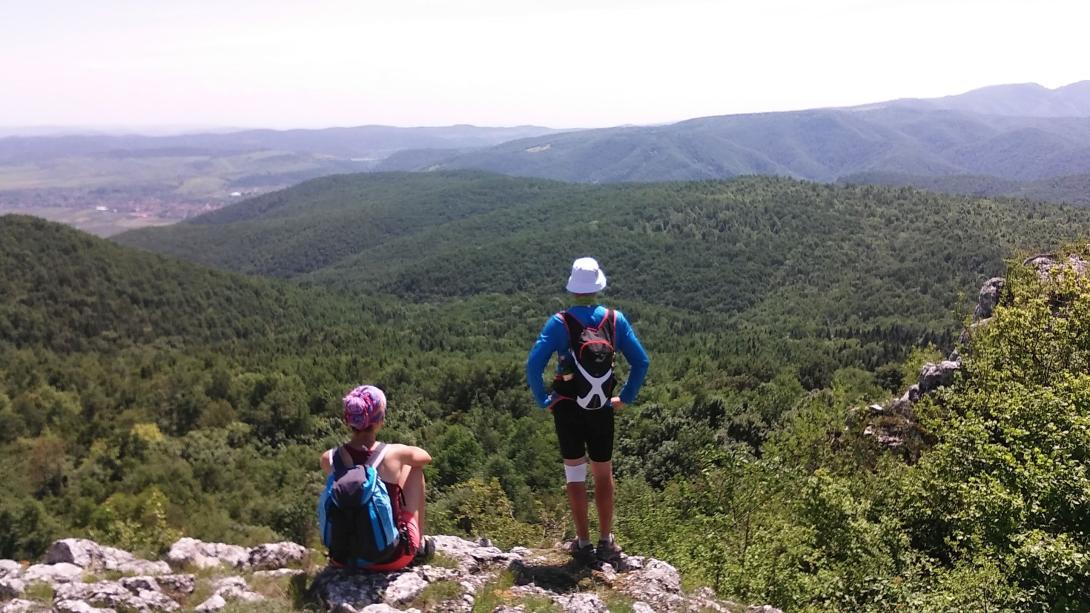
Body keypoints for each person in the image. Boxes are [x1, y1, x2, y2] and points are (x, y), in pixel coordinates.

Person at [525, 257, 650, 563]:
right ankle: (606, 541)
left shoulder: (559, 322)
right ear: (598, 286)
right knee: (603, 475)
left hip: (567, 408)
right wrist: (626, 397)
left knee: (575, 476)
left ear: (573, 288)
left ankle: (582, 543)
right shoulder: (615, 320)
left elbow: (533, 364)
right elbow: (641, 361)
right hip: (601, 409)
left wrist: (544, 399)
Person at [320, 384, 434, 570]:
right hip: (391, 558)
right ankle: (418, 547)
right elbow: (425, 457)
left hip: (342, 559)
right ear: (380, 419)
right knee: (414, 469)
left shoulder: (328, 458)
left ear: (347, 420)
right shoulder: (393, 454)